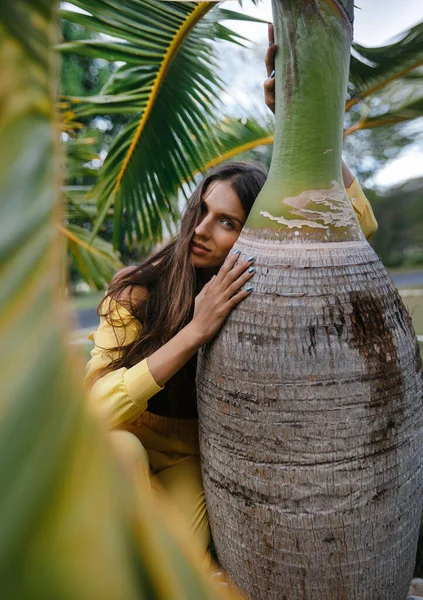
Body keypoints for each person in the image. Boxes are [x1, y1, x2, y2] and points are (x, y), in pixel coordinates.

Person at [85, 26, 378, 557]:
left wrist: (295, 121)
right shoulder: (140, 292)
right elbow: (92, 412)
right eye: (202, 211)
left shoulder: (259, 287)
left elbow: (357, 224)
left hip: (191, 460)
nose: (200, 230)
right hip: (114, 449)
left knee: (176, 556)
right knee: (123, 450)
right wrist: (194, 331)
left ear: (256, 232)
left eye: (227, 223)